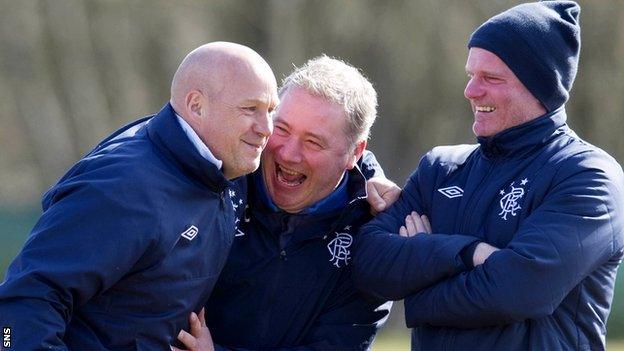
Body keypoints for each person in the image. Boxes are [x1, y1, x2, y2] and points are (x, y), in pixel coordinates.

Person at [353, 1, 624, 350]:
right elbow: (368, 264)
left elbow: (519, 291)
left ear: (539, 86)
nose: (470, 91)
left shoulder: (588, 176)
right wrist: (468, 253)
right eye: (471, 75)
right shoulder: (441, 169)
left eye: (490, 78)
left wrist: (417, 289)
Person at [175, 55, 481, 351]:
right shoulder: (222, 177)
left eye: (313, 142)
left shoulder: (371, 238)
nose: (288, 154)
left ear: (354, 153)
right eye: (282, 129)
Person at [0, 42, 279, 350]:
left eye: (271, 110)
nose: (267, 128)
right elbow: (25, 300)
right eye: (250, 109)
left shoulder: (219, 171)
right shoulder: (124, 186)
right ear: (196, 105)